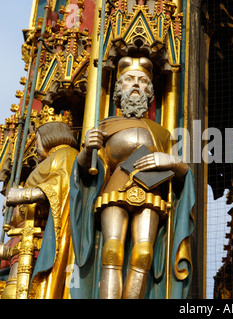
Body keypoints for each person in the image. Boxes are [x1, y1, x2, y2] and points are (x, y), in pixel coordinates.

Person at [70, 56, 194, 299]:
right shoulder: (105, 126)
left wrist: (170, 161)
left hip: (151, 191)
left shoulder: (161, 133)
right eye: (129, 80)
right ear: (119, 89)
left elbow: (182, 172)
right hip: (114, 189)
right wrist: (87, 151)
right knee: (112, 250)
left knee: (144, 253)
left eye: (142, 81)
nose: (136, 85)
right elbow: (88, 170)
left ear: (150, 91)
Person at [0, 108, 79, 298]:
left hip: (39, 237)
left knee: (16, 289)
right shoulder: (50, 159)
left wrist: (22, 195)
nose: (35, 148)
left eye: (37, 141)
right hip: (21, 236)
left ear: (51, 137)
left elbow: (61, 183)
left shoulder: (66, 154)